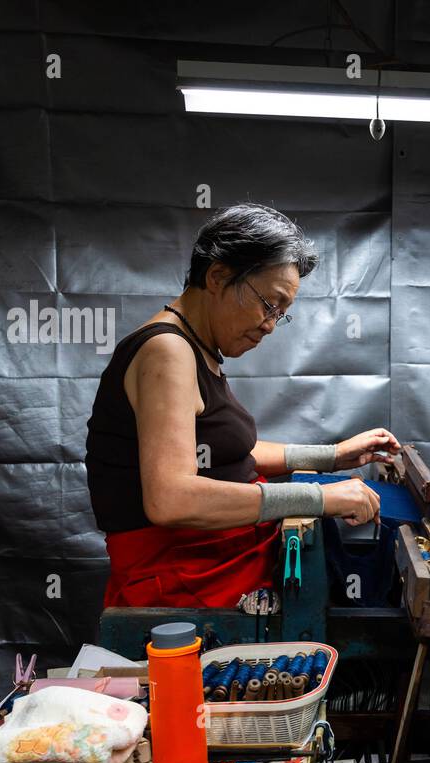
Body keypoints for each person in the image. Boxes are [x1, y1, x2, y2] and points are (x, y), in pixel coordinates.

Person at [85, 203, 398, 608]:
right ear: (218, 275)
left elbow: (228, 454)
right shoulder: (166, 351)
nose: (270, 325)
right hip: (184, 579)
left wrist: (332, 457)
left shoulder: (197, 346)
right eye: (269, 305)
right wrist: (320, 499)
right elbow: (171, 498)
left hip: (217, 560)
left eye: (281, 314)